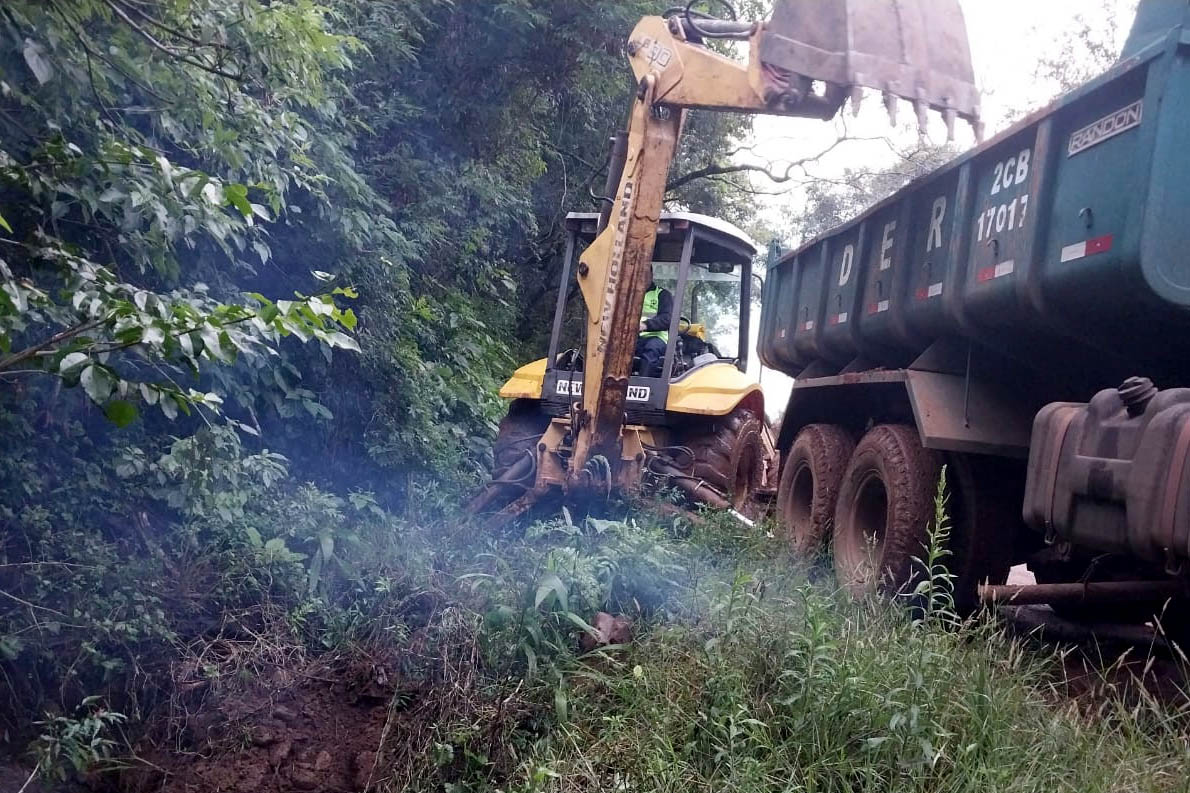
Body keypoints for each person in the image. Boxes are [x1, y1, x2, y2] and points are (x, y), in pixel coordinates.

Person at [636, 264, 673, 378]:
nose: (641, 278)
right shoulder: (629, 295)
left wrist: (645, 325)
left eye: (644, 275)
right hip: (633, 338)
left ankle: (642, 386)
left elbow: (667, 319)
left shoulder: (662, 294)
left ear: (651, 275)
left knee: (651, 349)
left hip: (657, 337)